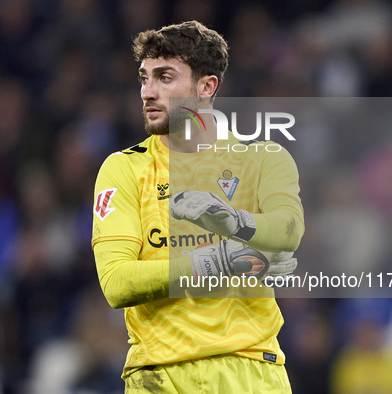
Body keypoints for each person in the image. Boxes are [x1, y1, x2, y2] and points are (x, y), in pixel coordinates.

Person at [91, 21, 304, 393]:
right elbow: (116, 283)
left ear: (207, 87)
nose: (147, 92)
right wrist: (216, 260)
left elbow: (288, 231)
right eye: (144, 78)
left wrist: (235, 221)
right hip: (159, 373)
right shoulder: (123, 168)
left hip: (250, 367)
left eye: (165, 77)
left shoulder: (264, 159)